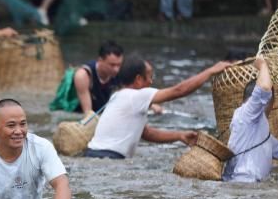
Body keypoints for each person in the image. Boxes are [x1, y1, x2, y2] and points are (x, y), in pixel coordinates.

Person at [85, 57, 231, 159]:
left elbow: (146, 133)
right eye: (150, 76)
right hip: (109, 158)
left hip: (92, 155)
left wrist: (180, 136)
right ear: (138, 79)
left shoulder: (118, 96)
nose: (151, 81)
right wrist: (210, 71)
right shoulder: (137, 96)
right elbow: (179, 91)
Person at [73, 40, 123, 113]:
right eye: (112, 65)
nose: (116, 69)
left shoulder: (121, 73)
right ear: (100, 60)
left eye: (119, 65)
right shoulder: (83, 76)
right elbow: (88, 113)